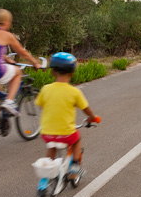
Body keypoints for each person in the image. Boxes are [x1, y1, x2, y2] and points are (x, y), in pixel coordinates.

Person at [35, 52, 100, 184]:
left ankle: (46, 175)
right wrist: (93, 117)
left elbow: (41, 105)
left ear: (52, 71)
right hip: (66, 133)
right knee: (76, 140)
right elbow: (86, 109)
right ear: (72, 73)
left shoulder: (45, 89)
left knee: (51, 147)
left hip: (47, 133)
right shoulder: (74, 92)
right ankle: (75, 166)